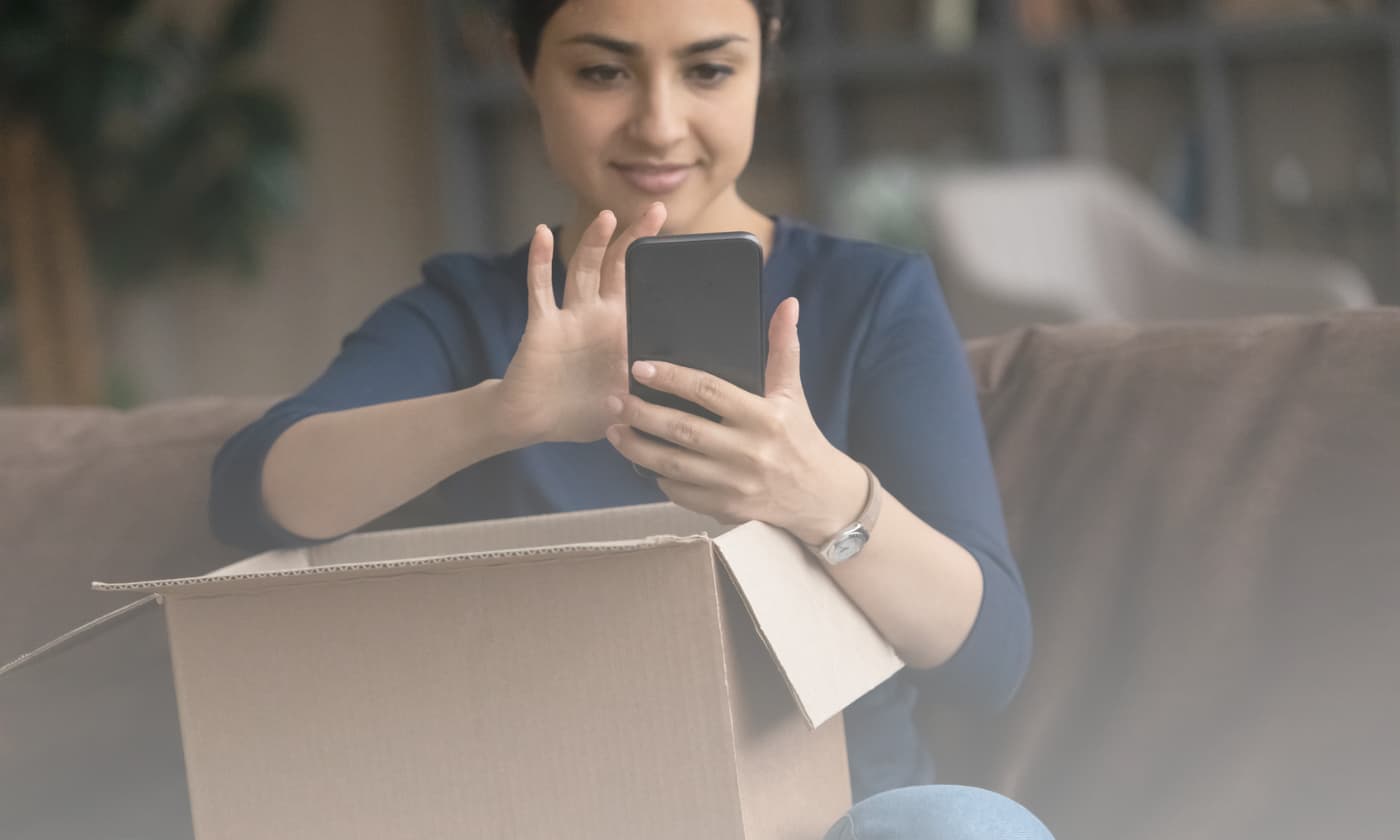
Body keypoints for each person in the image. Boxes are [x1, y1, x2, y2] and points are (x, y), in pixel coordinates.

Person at [210, 1, 1052, 837]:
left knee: (965, 827)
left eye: (709, 70)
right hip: (558, 811)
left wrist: (825, 497)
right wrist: (498, 415)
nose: (658, 124)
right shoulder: (466, 315)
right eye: (602, 72)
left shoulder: (873, 299)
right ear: (525, 69)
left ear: (767, 55)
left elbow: (986, 661)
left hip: (836, 816)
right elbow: (256, 491)